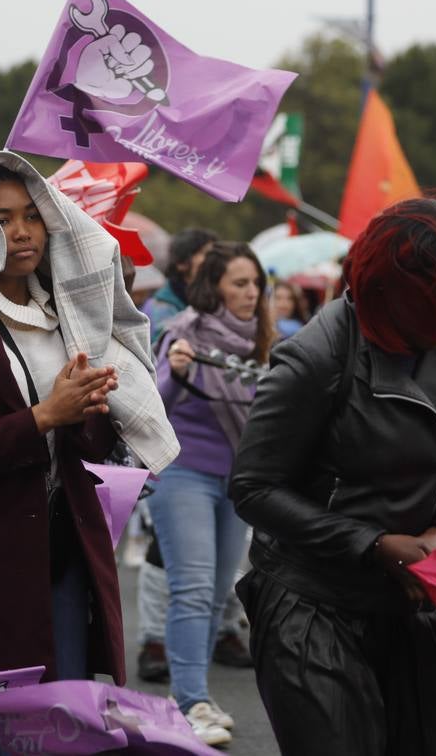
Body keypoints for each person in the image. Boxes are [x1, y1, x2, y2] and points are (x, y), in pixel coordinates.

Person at [229, 198, 436, 756]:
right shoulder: (315, 357)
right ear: (401, 286)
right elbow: (253, 488)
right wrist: (374, 545)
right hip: (312, 605)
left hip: (416, 605)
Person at [0, 153, 177, 730]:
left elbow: (80, 439)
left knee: (62, 711)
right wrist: (40, 418)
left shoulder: (69, 311)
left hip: (65, 542)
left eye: (32, 216)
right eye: (2, 218)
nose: (19, 232)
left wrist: (89, 410)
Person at [150, 242, 274, 746]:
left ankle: (196, 695)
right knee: (195, 589)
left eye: (256, 284)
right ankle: (189, 700)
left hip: (236, 481)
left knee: (220, 593)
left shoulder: (264, 341)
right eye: (239, 284)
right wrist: (178, 374)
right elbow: (154, 406)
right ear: (214, 287)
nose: (251, 294)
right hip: (184, 474)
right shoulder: (183, 333)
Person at [137, 227, 219, 683]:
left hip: (216, 450)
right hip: (172, 448)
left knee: (211, 565)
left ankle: (221, 629)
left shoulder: (213, 306)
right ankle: (152, 637)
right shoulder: (163, 312)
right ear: (185, 263)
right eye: (208, 256)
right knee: (161, 552)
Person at [143, 228, 219, 345]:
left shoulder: (213, 300)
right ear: (182, 263)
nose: (214, 260)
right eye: (206, 254)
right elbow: (163, 351)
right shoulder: (162, 308)